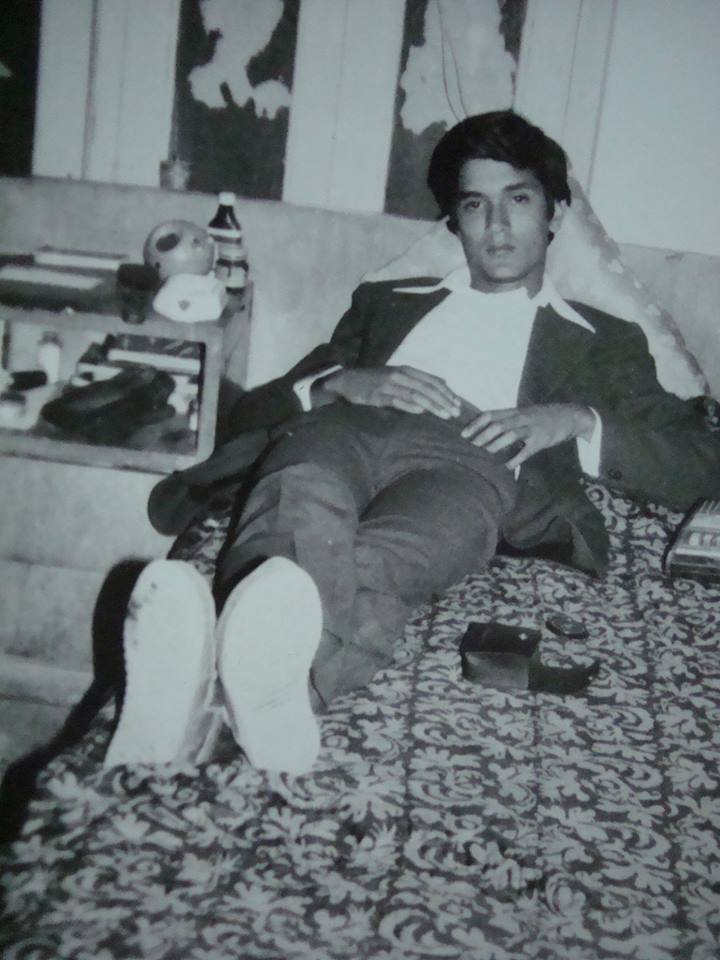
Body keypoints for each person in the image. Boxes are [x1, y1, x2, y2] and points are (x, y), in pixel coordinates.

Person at [104, 111, 719, 776]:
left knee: (387, 557)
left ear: (555, 213)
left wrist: (575, 420)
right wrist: (335, 383)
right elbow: (251, 413)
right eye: (475, 205)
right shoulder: (385, 301)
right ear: (455, 222)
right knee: (300, 498)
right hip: (343, 430)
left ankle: (209, 704)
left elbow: (702, 461)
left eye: (518, 200)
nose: (497, 225)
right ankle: (272, 701)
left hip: (469, 462)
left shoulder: (605, 341)